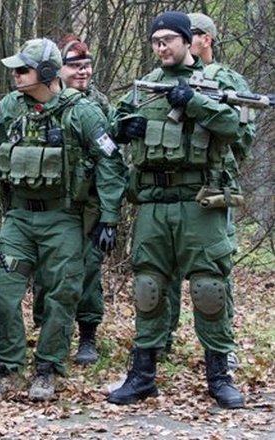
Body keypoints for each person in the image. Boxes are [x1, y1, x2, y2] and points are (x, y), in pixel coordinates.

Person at [0, 38, 126, 401]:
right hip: (19, 217)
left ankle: (47, 368)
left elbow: (110, 164)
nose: (16, 75)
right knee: (3, 289)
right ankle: (9, 364)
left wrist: (109, 218)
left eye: (24, 70)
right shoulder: (9, 107)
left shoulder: (81, 112)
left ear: (48, 72)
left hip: (64, 218)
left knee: (62, 293)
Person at [106, 11, 247, 409]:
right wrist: (122, 129)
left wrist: (196, 103)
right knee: (148, 288)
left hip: (199, 202)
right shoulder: (143, 87)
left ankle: (219, 377)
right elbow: (111, 129)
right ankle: (142, 376)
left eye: (169, 39)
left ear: (188, 41)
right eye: (156, 41)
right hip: (152, 203)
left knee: (208, 288)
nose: (161, 46)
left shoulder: (215, 83)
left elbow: (236, 129)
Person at [161, 13, 254, 370]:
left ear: (205, 39)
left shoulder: (227, 80)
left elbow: (242, 136)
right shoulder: (165, 78)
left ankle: (221, 348)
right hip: (170, 189)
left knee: (214, 272)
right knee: (161, 271)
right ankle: (161, 338)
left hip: (213, 184)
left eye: (192, 33)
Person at [32, 34, 119, 366]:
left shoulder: (99, 104)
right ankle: (49, 332)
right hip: (53, 202)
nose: (83, 71)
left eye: (87, 65)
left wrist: (109, 216)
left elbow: (111, 157)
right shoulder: (43, 102)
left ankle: (87, 335)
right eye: (74, 65)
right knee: (47, 272)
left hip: (89, 203)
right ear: (58, 69)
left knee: (89, 268)